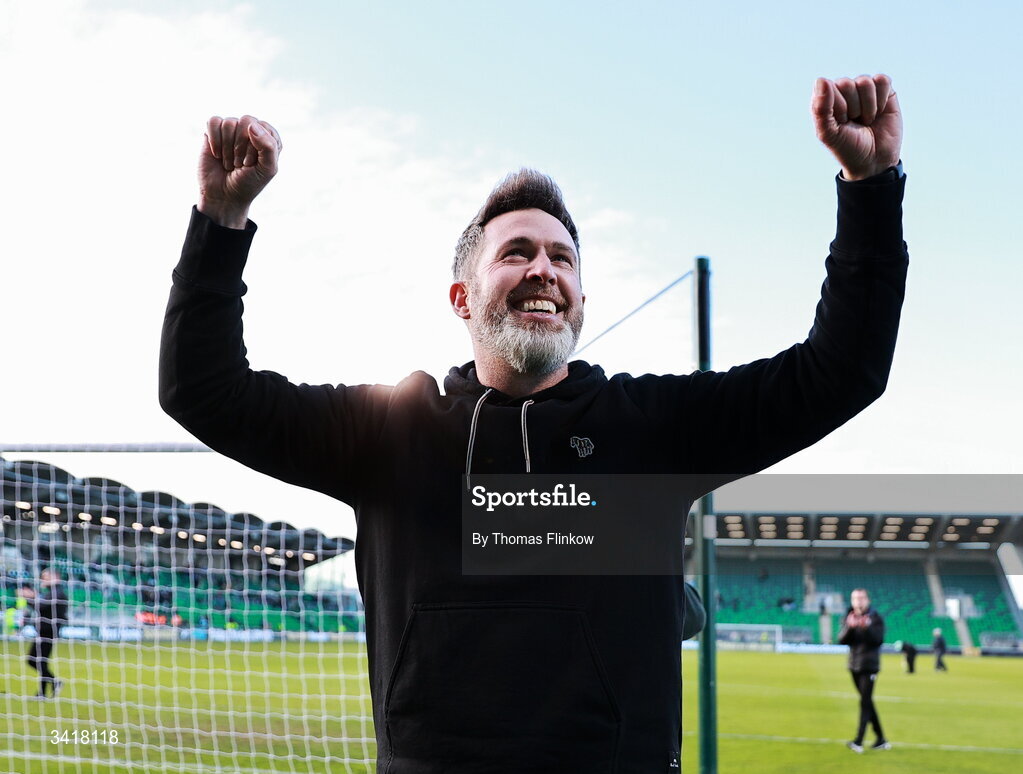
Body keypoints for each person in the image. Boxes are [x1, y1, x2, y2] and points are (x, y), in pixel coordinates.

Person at [161, 74, 908, 773]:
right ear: (461, 297)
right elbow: (203, 390)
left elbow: (838, 372)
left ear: (578, 299)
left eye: (562, 258)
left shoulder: (652, 429)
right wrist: (221, 220)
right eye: (515, 253)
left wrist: (869, 189)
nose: (543, 270)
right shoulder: (387, 432)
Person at [838, 588, 891, 753]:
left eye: (861, 598)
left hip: (869, 666)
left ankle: (858, 741)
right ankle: (881, 739)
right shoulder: (848, 616)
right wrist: (851, 627)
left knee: (864, 702)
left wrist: (866, 627)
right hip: (854, 665)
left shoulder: (875, 618)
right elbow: (841, 640)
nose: (858, 601)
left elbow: (878, 640)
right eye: (855, 598)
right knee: (867, 701)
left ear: (867, 600)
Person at [18, 568, 69, 700]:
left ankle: (53, 683)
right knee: (39, 661)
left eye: (45, 577)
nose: (42, 580)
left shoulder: (57, 593)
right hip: (45, 631)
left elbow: (40, 607)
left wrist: (30, 597)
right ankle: (42, 692)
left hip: (48, 632)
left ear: (55, 577)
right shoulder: (53, 592)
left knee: (35, 661)